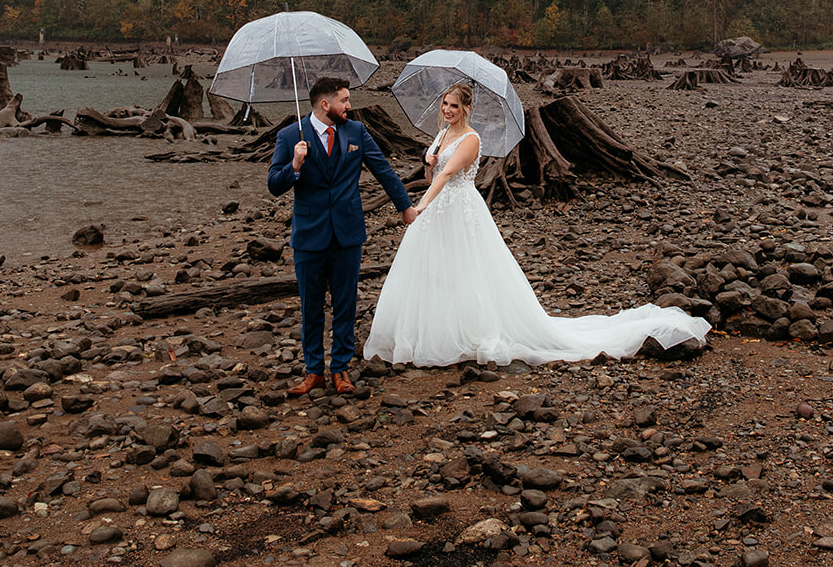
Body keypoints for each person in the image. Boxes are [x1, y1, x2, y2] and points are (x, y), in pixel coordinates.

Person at [365, 83, 709, 367]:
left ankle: (471, 331)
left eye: (453, 105)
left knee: (466, 268)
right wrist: (428, 161)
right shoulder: (440, 136)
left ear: (466, 108)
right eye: (444, 104)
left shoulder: (470, 139)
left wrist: (420, 204)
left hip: (459, 208)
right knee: (435, 270)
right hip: (439, 209)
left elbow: (451, 174)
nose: (447, 110)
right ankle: (436, 329)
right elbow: (433, 174)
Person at [269, 76, 412, 396]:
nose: (349, 106)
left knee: (346, 304)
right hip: (309, 235)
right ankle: (313, 371)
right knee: (311, 306)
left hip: (348, 232)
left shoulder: (356, 131)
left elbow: (383, 170)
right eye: (344, 100)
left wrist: (405, 207)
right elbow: (274, 185)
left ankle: (341, 368)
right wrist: (294, 164)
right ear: (325, 104)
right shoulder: (290, 136)